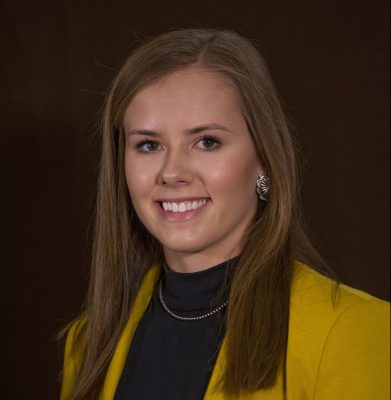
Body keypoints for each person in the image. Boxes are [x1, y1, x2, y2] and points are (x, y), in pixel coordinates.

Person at [60, 29, 390, 400]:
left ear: (264, 159)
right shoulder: (88, 343)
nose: (172, 172)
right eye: (149, 145)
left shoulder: (353, 331)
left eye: (207, 142)